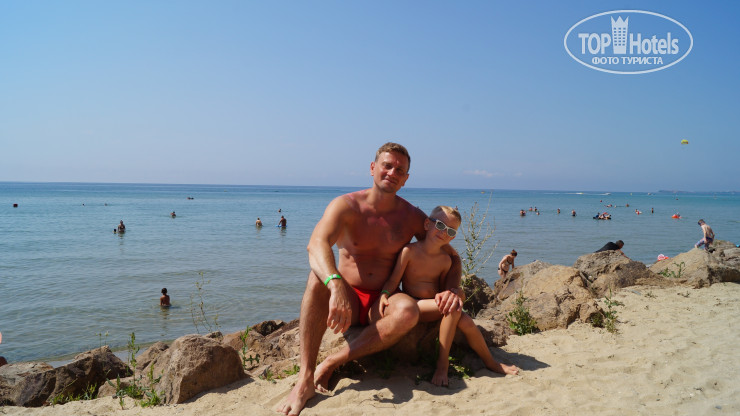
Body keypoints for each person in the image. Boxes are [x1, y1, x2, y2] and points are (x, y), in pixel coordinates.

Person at [276, 143, 462, 416]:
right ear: (373, 168)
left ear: (406, 179)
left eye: (399, 169)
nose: (392, 172)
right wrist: (336, 284)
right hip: (348, 299)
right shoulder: (346, 206)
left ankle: (332, 362)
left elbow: (452, 256)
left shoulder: (412, 216)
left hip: (383, 300)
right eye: (387, 165)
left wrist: (452, 289)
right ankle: (305, 378)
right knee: (317, 279)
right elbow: (316, 244)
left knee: (408, 311)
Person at [379, 206, 518, 386]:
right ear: (427, 224)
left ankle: (490, 362)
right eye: (440, 225)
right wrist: (384, 294)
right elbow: (393, 279)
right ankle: (442, 364)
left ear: (453, 237)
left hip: (436, 306)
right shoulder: (409, 252)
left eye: (450, 231)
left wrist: (453, 294)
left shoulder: (445, 260)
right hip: (414, 305)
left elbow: (446, 289)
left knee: (466, 321)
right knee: (454, 309)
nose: (444, 232)